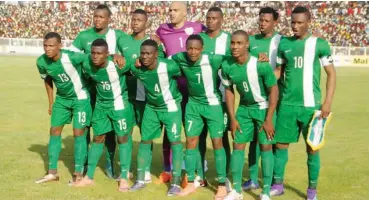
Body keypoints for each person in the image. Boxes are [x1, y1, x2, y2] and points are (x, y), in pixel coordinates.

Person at [270, 7, 336, 200]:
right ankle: (278, 184)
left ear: (308, 22)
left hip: (311, 107)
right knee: (280, 145)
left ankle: (312, 191)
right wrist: (262, 77)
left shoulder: (319, 44)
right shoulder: (284, 44)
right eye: (293, 22)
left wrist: (327, 102)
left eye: (300, 23)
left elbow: (331, 74)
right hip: (287, 105)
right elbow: (279, 73)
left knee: (312, 148)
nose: (295, 26)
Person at [69, 4, 127, 178]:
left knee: (109, 130)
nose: (98, 19)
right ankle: (85, 163)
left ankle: (110, 164)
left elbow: (128, 55)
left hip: (108, 93)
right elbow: (72, 57)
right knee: (86, 127)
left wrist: (117, 55)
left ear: (109, 19)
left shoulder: (116, 35)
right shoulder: (84, 36)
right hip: (88, 91)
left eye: (101, 17)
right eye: (95, 16)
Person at [221, 30, 278, 200]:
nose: (235, 46)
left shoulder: (260, 64)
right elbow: (229, 91)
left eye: (239, 43)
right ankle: (237, 190)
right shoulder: (227, 65)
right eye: (233, 43)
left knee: (265, 147)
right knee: (238, 146)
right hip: (244, 110)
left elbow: (273, 90)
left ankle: (266, 192)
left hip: (263, 109)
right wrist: (232, 118)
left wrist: (268, 118)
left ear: (247, 45)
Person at [169, 35, 228, 199]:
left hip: (213, 105)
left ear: (202, 49)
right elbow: (165, 59)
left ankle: (222, 184)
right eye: (189, 48)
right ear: (186, 48)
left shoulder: (214, 59)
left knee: (217, 142)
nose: (192, 52)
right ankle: (191, 181)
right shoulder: (180, 58)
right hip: (193, 105)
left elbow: (233, 59)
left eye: (196, 48)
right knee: (191, 142)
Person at [72, 39, 134, 191]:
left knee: (122, 138)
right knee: (98, 138)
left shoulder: (119, 65)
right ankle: (89, 177)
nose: (95, 56)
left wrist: (116, 55)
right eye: (93, 52)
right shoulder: (87, 63)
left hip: (119, 106)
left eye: (100, 53)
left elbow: (136, 63)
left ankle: (124, 177)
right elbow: (73, 56)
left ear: (107, 54)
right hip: (100, 107)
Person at [154, 1, 205, 183]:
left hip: (193, 89)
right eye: (170, 10)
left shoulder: (198, 27)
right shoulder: (162, 30)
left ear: (185, 13)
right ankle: (167, 170)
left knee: (194, 132)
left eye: (176, 10)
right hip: (172, 90)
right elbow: (156, 49)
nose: (171, 13)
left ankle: (198, 169)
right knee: (170, 131)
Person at [128, 40, 184, 196]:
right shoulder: (137, 68)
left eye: (148, 53)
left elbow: (185, 71)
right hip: (151, 108)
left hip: (171, 108)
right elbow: (126, 66)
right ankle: (140, 180)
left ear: (156, 54)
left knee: (175, 142)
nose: (145, 57)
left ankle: (176, 183)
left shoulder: (169, 66)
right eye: (142, 53)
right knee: (145, 140)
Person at [35, 32, 91, 184]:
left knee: (79, 132)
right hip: (62, 100)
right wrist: (50, 103)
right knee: (54, 130)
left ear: (60, 45)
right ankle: (52, 172)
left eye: (51, 45)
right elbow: (47, 80)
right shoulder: (41, 62)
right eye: (45, 45)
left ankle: (78, 173)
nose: (48, 49)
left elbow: (93, 58)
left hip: (80, 98)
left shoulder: (72, 57)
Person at [117, 9, 165, 183]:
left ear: (146, 23)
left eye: (139, 20)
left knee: (146, 136)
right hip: (126, 96)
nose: (135, 22)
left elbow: (162, 63)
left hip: (146, 97)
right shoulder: (123, 40)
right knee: (125, 133)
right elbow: (115, 59)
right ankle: (126, 170)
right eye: (133, 19)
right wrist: (115, 55)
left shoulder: (151, 43)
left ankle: (144, 171)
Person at [243, 6, 283, 191]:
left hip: (275, 95)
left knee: (270, 138)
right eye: (260, 20)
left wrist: (267, 79)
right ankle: (252, 179)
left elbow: (281, 69)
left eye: (266, 21)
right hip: (255, 97)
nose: (262, 24)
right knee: (253, 140)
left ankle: (275, 181)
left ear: (275, 22)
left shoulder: (281, 41)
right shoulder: (251, 41)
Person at [196, 7, 232, 188]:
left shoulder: (228, 40)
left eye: (214, 18)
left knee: (222, 137)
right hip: (199, 99)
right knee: (199, 136)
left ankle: (224, 176)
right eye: (208, 18)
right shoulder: (199, 38)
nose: (210, 21)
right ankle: (200, 175)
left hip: (222, 98)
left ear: (221, 20)